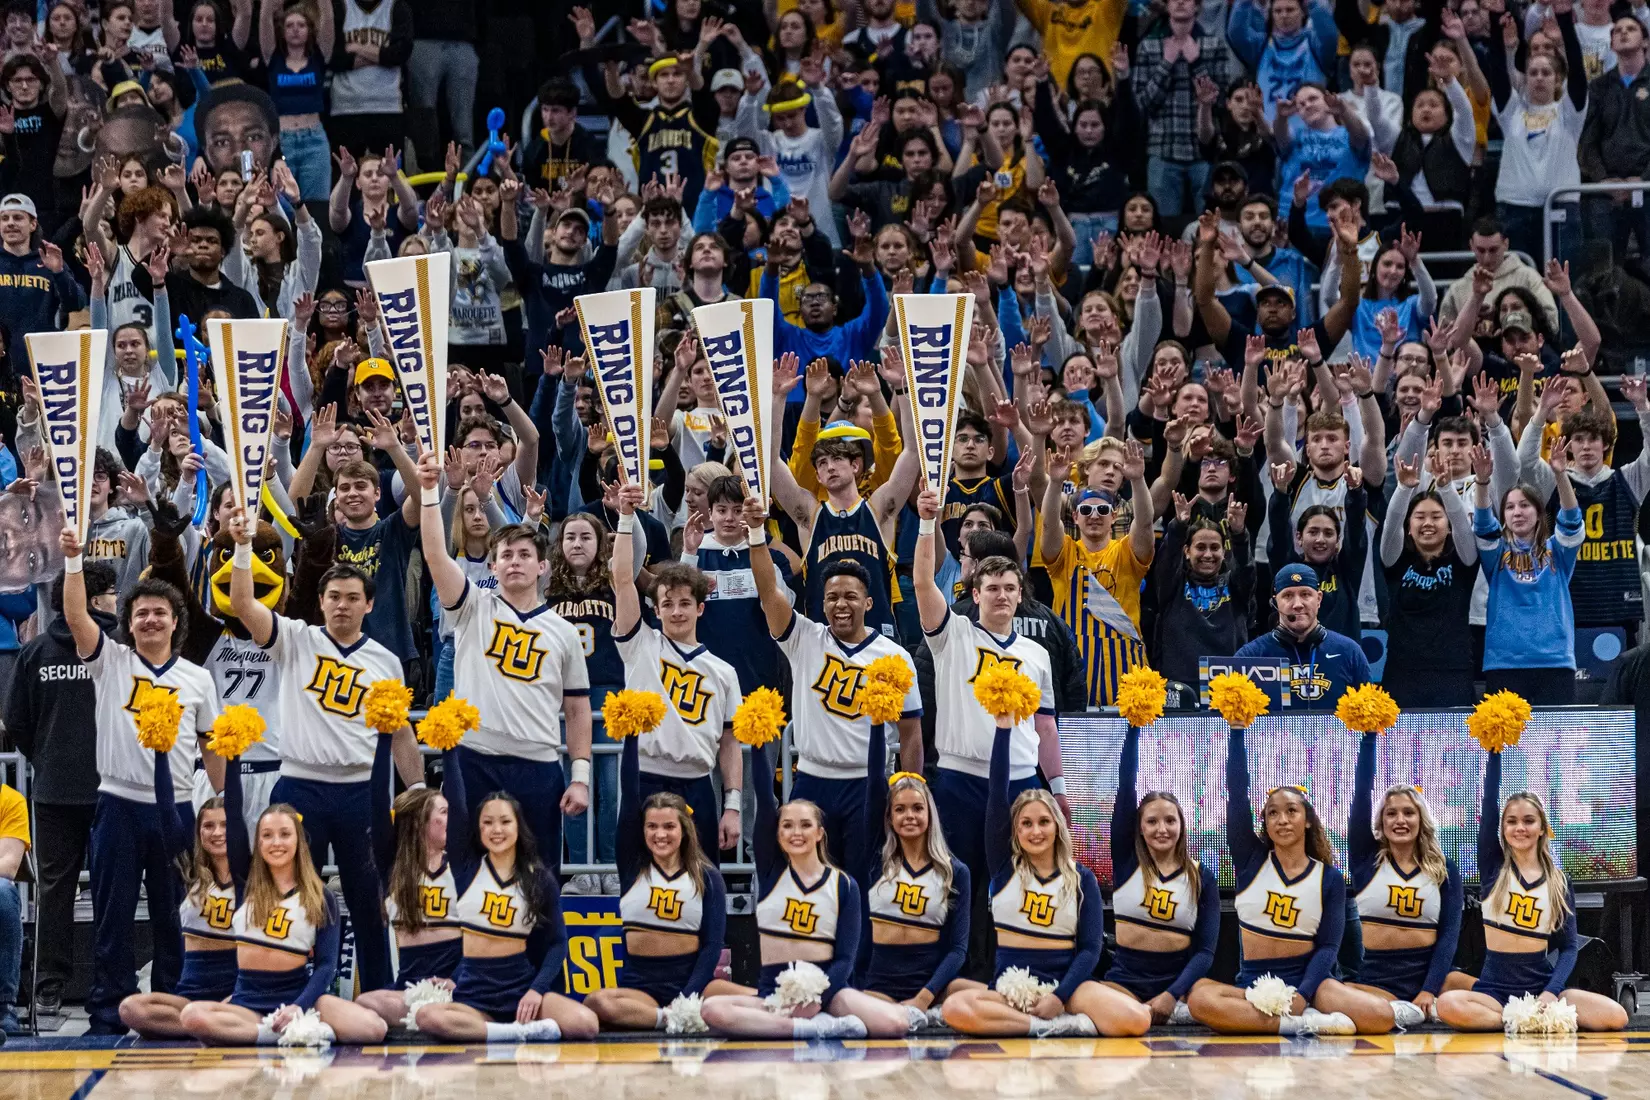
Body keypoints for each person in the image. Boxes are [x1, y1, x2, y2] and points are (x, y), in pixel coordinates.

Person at [226, 508, 423, 994]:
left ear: (369, 605)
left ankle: (378, 997)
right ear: (320, 601)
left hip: (362, 793)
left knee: (369, 901)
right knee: (290, 897)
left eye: (353, 598)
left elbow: (401, 734)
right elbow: (244, 605)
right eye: (333, 597)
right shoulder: (296, 639)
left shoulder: (386, 662)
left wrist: (418, 789)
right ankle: (286, 992)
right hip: (299, 788)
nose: (342, 606)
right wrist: (243, 546)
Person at [58, 528, 223, 1035]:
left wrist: (221, 803)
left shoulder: (198, 679)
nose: (150, 619)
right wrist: (73, 562)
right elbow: (76, 616)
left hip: (177, 810)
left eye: (160, 612)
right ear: (128, 623)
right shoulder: (111, 661)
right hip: (118, 805)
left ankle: (174, 1005)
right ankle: (109, 1010)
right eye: (141, 613)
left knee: (175, 915)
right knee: (113, 914)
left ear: (176, 621)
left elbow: (212, 746)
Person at [413, 449, 594, 881]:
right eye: (506, 555)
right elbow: (435, 554)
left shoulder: (563, 632)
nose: (515, 561)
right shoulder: (472, 606)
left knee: (539, 881)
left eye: (524, 555)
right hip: (474, 759)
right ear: (492, 566)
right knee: (468, 877)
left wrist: (580, 775)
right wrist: (430, 491)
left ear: (543, 566)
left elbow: (577, 709)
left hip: (539, 764)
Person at [745, 493, 922, 871]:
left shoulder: (895, 656)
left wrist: (911, 788)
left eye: (851, 596)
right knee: (808, 881)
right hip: (813, 780)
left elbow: (911, 735)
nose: (841, 604)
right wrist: (757, 535)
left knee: (864, 883)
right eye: (832, 597)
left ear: (869, 603)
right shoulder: (803, 638)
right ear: (822, 603)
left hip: (869, 785)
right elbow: (769, 592)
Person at [1186, 725, 1390, 1035]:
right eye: (1272, 813)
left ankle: (1275, 1020)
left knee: (1380, 1016)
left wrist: (1303, 995)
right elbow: (1237, 796)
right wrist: (1237, 732)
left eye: (1291, 811)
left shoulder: (1329, 878)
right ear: (1265, 823)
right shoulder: (1251, 862)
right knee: (1200, 999)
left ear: (1307, 820)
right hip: (1255, 984)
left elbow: (1328, 947)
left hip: (1312, 984)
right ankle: (1304, 1024)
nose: (1282, 820)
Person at [698, 737, 906, 1039]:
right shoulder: (772, 873)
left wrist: (815, 998)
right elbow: (764, 798)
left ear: (820, 833)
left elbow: (845, 960)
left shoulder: (843, 885)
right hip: (775, 996)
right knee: (712, 1010)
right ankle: (808, 1028)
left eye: (805, 825)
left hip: (829, 994)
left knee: (895, 1023)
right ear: (777, 833)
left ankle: (800, 1023)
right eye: (787, 825)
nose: (796, 832)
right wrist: (759, 739)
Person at [940, 719, 1130, 1036]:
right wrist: (1003, 729)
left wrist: (1059, 997)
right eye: (1026, 824)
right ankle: (1044, 1027)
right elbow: (997, 793)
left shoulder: (1082, 879)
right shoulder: (1005, 869)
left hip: (1066, 990)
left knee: (1135, 1020)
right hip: (1011, 990)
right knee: (954, 1008)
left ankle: (1057, 1018)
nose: (1035, 831)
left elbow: (1089, 950)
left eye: (1044, 822)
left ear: (1057, 825)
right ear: (1015, 831)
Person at [407, 744, 598, 1042]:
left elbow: (558, 943)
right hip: (474, 996)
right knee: (427, 1017)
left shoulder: (538, 878)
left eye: (505, 822)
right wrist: (448, 748)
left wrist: (536, 990)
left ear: (518, 827)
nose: (497, 830)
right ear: (478, 829)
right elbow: (457, 803)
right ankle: (511, 1032)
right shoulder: (466, 870)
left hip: (522, 990)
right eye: (488, 822)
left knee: (587, 1023)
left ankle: (498, 1032)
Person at [1434, 748, 1628, 1031]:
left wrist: (1551, 991)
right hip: (1493, 994)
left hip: (1541, 989)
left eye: (1528, 821)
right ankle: (1519, 1020)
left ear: (1542, 828)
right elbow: (1488, 810)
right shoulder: (1494, 869)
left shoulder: (1558, 881)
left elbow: (1569, 948)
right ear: (1502, 829)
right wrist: (1494, 753)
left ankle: (1528, 1017)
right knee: (1448, 1005)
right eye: (1511, 821)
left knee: (1616, 1016)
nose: (1520, 828)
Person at [176, 802, 387, 1044]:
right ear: (257, 843)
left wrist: (299, 1006)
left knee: (374, 1028)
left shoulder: (320, 896)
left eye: (285, 834)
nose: (276, 843)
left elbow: (326, 965)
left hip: (299, 997)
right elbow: (232, 817)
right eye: (267, 835)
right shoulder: (244, 886)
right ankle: (284, 1033)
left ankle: (284, 1029)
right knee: (192, 1016)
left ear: (299, 841)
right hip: (248, 1003)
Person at [6, 563, 117, 1020]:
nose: (116, 599)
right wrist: (48, 757)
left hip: (112, 790)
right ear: (92, 598)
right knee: (56, 893)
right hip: (56, 793)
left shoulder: (117, 647)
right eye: (110, 592)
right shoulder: (36, 652)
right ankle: (49, 984)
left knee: (112, 890)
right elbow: (16, 720)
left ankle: (110, 982)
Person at [583, 728, 744, 1028]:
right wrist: (631, 735)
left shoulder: (707, 875)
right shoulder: (634, 867)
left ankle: (681, 1015)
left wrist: (686, 997)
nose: (660, 834)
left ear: (684, 829)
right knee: (597, 1002)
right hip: (641, 990)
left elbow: (711, 947)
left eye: (669, 826)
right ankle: (667, 1019)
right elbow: (630, 795)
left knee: (763, 999)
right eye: (652, 827)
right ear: (642, 830)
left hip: (695, 986)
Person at [771, 358, 918, 640]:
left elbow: (911, 452)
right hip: (823, 642)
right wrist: (778, 399)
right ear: (817, 474)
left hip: (877, 638)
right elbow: (772, 462)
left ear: (856, 465)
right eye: (822, 463)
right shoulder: (809, 514)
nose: (829, 467)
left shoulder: (878, 509)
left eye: (837, 459)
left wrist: (901, 390)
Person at [1099, 723, 1220, 1027]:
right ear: (1140, 827)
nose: (1162, 829)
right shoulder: (1127, 862)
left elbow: (1205, 953)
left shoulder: (1202, 877)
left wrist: (1171, 994)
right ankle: (1138, 1013)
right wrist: (1133, 727)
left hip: (1180, 988)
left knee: (1213, 1000)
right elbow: (1125, 789)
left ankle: (1157, 1012)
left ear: (1182, 825)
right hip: (1124, 982)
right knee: (1087, 997)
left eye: (1170, 820)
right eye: (1152, 821)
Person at [1344, 731, 1463, 1029]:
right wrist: (1369, 736)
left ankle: (1410, 1010)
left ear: (1421, 819)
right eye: (1391, 813)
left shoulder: (1444, 868)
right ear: (1381, 821)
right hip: (1376, 982)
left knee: (1491, 993)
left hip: (1433, 980)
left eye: (1409, 813)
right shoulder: (1366, 860)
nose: (1400, 820)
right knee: (1326, 990)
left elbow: (1449, 936)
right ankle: (1399, 1011)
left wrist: (1429, 989)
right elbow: (1361, 795)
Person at [855, 718, 969, 1029]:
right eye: (900, 809)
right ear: (889, 817)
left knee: (993, 997)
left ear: (930, 813)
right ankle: (911, 1018)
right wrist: (877, 721)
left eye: (918, 808)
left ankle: (925, 1014)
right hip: (879, 988)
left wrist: (924, 997)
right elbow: (875, 782)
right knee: (854, 1007)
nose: (909, 816)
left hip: (934, 989)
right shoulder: (877, 859)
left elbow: (958, 950)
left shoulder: (955, 871)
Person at [119, 761, 247, 1038]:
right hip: (190, 996)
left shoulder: (248, 877)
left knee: (203, 1016)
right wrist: (161, 752)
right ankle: (208, 1027)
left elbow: (236, 804)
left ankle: (205, 1025)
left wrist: (233, 756)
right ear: (199, 832)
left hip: (235, 995)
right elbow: (167, 809)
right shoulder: (190, 872)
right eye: (208, 826)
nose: (217, 832)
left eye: (224, 825)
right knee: (130, 1009)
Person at [1038, 439, 1155, 707]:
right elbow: (1049, 524)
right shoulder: (1064, 553)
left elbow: (1145, 523)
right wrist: (1055, 483)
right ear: (1075, 517)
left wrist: (1138, 480)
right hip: (1073, 666)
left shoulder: (1126, 552)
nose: (1094, 515)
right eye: (1086, 510)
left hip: (1125, 667)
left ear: (1113, 517)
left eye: (1102, 510)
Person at [1472, 435, 1583, 704]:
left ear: (1539, 512)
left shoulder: (1558, 550)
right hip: (1504, 662)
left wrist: (1560, 475)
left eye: (1524, 505)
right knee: (1501, 732)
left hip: (1554, 661)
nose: (1517, 512)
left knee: (1555, 733)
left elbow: (1571, 520)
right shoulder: (1495, 552)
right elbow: (1483, 525)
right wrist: (1483, 483)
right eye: (1510, 507)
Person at [1379, 453, 1480, 707]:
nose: (1427, 523)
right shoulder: (1395, 559)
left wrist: (1446, 488)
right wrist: (1403, 489)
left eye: (1436, 517)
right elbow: (1391, 525)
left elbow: (1463, 525)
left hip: (1453, 672)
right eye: (1419, 517)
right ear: (1408, 527)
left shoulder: (1464, 559)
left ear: (1448, 525)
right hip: (1402, 673)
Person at [1147, 495, 1253, 691]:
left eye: (1215, 548)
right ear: (1187, 551)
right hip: (1179, 687)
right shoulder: (1172, 585)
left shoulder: (1236, 585)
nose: (1208, 554)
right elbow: (1167, 560)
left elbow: (1246, 568)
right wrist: (1179, 525)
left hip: (1229, 688)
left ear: (1223, 553)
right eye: (1200, 547)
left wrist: (1239, 534)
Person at [1235, 565, 1371, 708]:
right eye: (1288, 596)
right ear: (1275, 602)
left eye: (1305, 594)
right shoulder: (1251, 656)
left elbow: (1370, 713)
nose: (1298, 604)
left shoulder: (1349, 651)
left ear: (1319, 599)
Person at [0, 194, 82, 370]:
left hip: (41, 364)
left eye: (18, 217)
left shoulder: (47, 260)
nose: (10, 223)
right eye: (4, 218)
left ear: (33, 224)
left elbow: (76, 303)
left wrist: (59, 272)